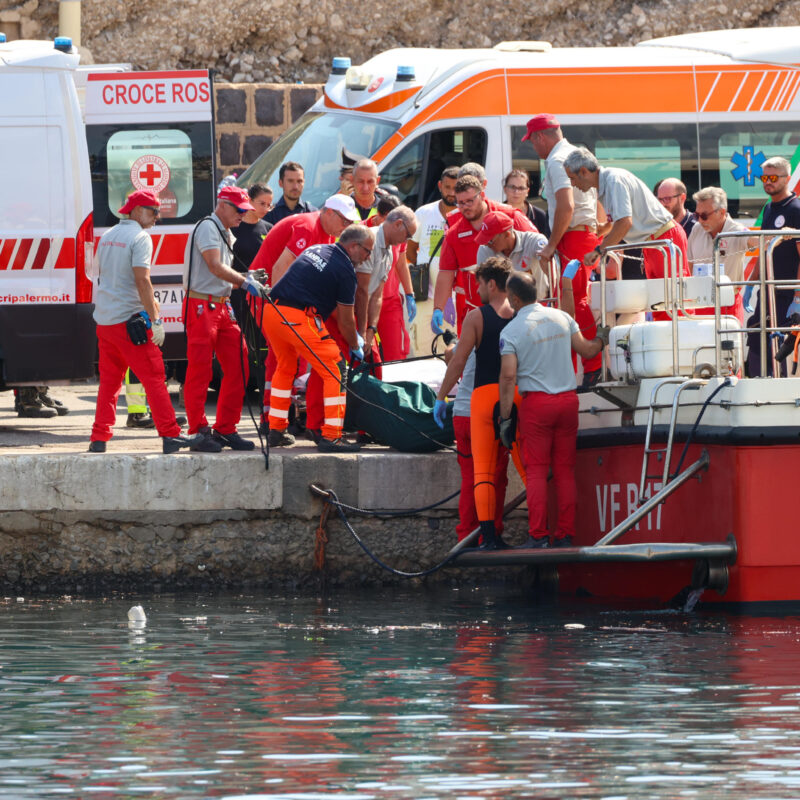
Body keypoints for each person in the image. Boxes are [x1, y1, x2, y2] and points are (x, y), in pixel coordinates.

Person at [498, 272, 608, 547]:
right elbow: (587, 350)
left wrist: (505, 417)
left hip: (537, 405)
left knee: (536, 471)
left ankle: (538, 536)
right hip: (568, 402)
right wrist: (603, 339)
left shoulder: (510, 331)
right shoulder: (562, 317)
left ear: (513, 298)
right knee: (564, 471)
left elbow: (508, 377)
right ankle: (565, 534)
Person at [88, 190, 190, 454]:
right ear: (134, 211)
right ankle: (170, 435)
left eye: (158, 211)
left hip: (105, 321)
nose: (157, 216)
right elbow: (142, 280)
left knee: (109, 384)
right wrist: (156, 320)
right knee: (155, 377)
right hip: (129, 322)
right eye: (152, 210)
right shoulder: (140, 237)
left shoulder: (108, 236)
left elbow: (104, 276)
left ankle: (99, 439)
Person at [434, 256, 525, 550]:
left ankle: (468, 538)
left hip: (472, 410)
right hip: (508, 407)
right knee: (499, 478)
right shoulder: (522, 316)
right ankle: (496, 534)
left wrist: (439, 397)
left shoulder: (476, 318)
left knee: (474, 476)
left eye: (479, 284)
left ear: (492, 283)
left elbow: (457, 360)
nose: (476, 290)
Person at [261, 225, 376, 452]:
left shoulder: (317, 249)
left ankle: (276, 429)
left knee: (285, 367)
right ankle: (332, 436)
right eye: (367, 251)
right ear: (354, 246)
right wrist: (355, 344)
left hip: (272, 312)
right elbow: (345, 321)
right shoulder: (345, 271)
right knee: (335, 367)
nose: (368, 257)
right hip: (297, 317)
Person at [252, 195, 359, 426]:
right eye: (343, 221)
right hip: (268, 296)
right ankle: (270, 417)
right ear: (328, 212)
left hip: (283, 299)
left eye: (349, 223)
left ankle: (281, 416)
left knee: (291, 358)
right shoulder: (308, 227)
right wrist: (280, 310)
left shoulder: (329, 232)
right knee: (281, 356)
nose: (345, 227)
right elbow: (281, 267)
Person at [183, 185, 269, 452]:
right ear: (222, 205)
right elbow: (215, 266)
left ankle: (225, 429)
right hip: (201, 304)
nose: (242, 215)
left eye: (245, 210)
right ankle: (198, 431)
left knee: (240, 364)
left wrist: (248, 279)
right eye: (239, 209)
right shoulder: (209, 226)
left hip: (219, 305)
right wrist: (245, 282)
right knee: (201, 370)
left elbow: (221, 275)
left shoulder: (224, 230)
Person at [522, 115, 603, 384]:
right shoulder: (579, 153)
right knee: (574, 300)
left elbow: (566, 206)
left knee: (574, 300)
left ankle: (592, 366)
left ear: (540, 137)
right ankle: (583, 366)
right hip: (583, 235)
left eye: (533, 143)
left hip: (573, 238)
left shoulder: (557, 161)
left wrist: (551, 246)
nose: (534, 148)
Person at [563, 147, 690, 283]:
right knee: (661, 298)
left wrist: (598, 251)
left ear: (584, 171)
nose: (572, 184)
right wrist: (604, 230)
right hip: (657, 240)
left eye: (573, 178)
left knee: (674, 297)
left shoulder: (614, 181)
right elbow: (619, 221)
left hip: (664, 238)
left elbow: (624, 222)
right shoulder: (607, 183)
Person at [432, 174, 534, 335]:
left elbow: (537, 248)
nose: (465, 207)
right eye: (460, 203)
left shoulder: (510, 216)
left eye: (470, 201)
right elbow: (446, 272)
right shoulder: (454, 234)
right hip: (478, 311)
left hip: (518, 308)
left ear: (482, 195)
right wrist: (438, 308)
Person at [746, 156, 800, 377]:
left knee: (781, 345)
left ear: (786, 179)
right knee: (756, 334)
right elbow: (765, 248)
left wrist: (797, 295)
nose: (767, 182)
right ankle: (761, 384)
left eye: (772, 177)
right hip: (767, 290)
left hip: (787, 292)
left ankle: (782, 391)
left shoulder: (795, 209)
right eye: (764, 177)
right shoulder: (769, 209)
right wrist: (750, 284)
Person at [407, 166, 459, 355]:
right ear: (439, 186)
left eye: (456, 188)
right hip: (425, 297)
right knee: (422, 351)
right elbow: (410, 250)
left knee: (452, 352)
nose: (452, 193)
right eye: (447, 187)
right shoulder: (424, 213)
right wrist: (423, 274)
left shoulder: (467, 215)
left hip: (454, 300)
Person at [687, 186, 754, 323]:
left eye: (704, 216)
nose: (700, 220)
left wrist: (782, 235)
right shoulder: (696, 229)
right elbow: (688, 266)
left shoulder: (736, 230)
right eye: (696, 215)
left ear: (722, 212)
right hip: (699, 302)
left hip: (727, 304)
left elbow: (760, 241)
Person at [371, 196, 417, 361]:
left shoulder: (400, 235)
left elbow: (401, 264)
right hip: (366, 302)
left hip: (390, 302)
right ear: (381, 216)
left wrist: (410, 294)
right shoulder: (363, 232)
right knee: (370, 354)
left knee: (397, 353)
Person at [475, 210, 551, 303]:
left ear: (507, 234)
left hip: (537, 303)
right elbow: (484, 284)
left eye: (490, 240)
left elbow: (552, 269)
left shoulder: (534, 241)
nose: (487, 244)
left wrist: (546, 262)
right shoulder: (484, 249)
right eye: (484, 239)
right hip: (504, 307)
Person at [232, 183, 274, 269]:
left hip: (262, 281)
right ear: (249, 200)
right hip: (237, 280)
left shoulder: (269, 228)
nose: (266, 209)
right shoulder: (232, 226)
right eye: (262, 204)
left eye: (269, 205)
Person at [502, 168, 550, 237]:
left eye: (521, 188)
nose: (516, 192)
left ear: (527, 191)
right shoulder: (496, 213)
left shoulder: (539, 215)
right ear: (505, 189)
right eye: (512, 187)